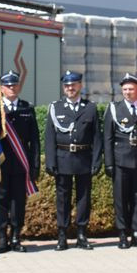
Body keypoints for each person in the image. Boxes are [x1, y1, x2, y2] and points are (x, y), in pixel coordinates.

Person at [45, 70, 102, 251]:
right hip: (62, 160)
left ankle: (81, 234)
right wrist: (50, 162)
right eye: (67, 86)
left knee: (83, 199)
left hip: (83, 159)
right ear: (64, 88)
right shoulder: (56, 108)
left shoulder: (90, 108)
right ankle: (62, 235)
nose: (70, 88)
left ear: (80, 85)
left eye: (74, 85)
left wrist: (96, 161)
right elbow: (50, 137)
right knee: (63, 199)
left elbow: (96, 138)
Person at [103, 73, 137, 249]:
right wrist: (109, 163)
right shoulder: (114, 109)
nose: (128, 92)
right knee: (120, 199)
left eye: (131, 89)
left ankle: (135, 232)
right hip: (120, 162)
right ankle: (122, 233)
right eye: (125, 89)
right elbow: (108, 139)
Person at [0, 70, 40, 253]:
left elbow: (34, 140)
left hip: (21, 164)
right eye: (8, 85)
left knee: (18, 202)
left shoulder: (27, 109)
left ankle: (16, 236)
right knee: (1, 200)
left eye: (15, 85)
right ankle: (2, 237)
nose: (12, 88)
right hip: (1, 164)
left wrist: (35, 165)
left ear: (19, 86)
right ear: (2, 88)